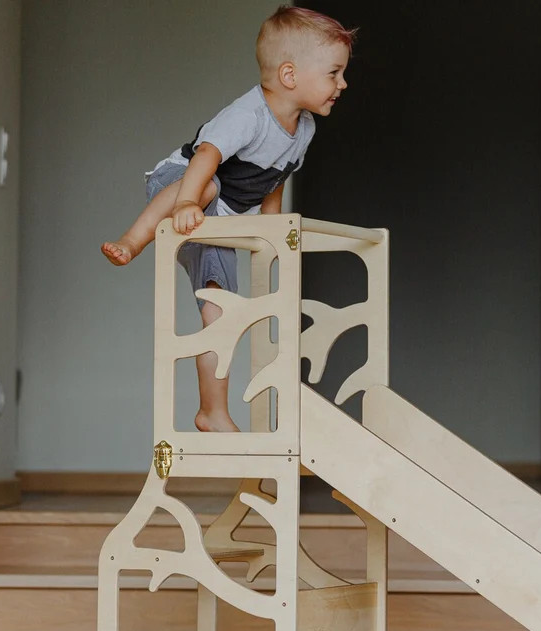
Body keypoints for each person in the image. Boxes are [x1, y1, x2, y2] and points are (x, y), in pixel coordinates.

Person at [102, 6, 353, 433]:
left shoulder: (304, 128)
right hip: (180, 184)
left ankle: (211, 411)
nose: (342, 84)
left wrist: (272, 226)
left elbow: (276, 176)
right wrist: (186, 202)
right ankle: (134, 238)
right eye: (334, 73)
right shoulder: (249, 115)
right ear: (290, 76)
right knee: (212, 184)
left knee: (220, 311)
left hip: (214, 215)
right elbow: (207, 156)